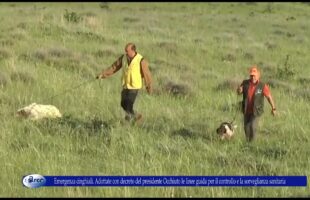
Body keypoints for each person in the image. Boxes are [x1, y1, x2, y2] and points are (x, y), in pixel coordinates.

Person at [96, 43, 152, 122]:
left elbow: (147, 74)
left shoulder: (141, 60)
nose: (126, 52)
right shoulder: (123, 58)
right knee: (123, 104)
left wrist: (148, 87)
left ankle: (129, 119)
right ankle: (136, 116)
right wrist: (103, 74)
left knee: (129, 104)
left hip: (134, 87)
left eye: (127, 51)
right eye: (125, 51)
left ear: (133, 50)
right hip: (125, 86)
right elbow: (114, 67)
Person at [237, 65, 276, 142]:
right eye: (251, 75)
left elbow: (269, 97)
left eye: (254, 75)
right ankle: (248, 143)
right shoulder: (245, 83)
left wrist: (273, 108)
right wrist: (239, 90)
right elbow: (239, 92)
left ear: (258, 75)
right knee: (246, 128)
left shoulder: (262, 86)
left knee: (252, 126)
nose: (253, 77)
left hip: (256, 111)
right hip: (246, 110)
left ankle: (253, 144)